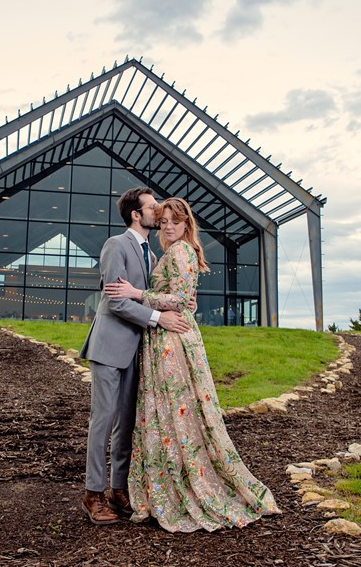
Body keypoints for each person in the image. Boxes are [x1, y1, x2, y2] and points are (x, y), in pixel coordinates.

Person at [104, 197, 281, 532]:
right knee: (167, 409)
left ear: (186, 225)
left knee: (176, 407)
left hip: (172, 341)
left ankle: (183, 484)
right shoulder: (168, 254)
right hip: (162, 337)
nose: (168, 226)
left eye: (176, 221)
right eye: (164, 221)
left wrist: (136, 292)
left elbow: (182, 300)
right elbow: (185, 298)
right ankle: (165, 482)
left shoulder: (180, 251)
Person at [79, 187, 191, 525]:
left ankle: (118, 488)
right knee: (104, 421)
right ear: (135, 214)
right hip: (110, 347)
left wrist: (180, 301)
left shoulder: (151, 255)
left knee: (127, 423)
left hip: (137, 351)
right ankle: (93, 494)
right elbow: (115, 300)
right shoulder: (117, 245)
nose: (157, 212)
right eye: (152, 206)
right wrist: (159, 317)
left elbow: (152, 295)